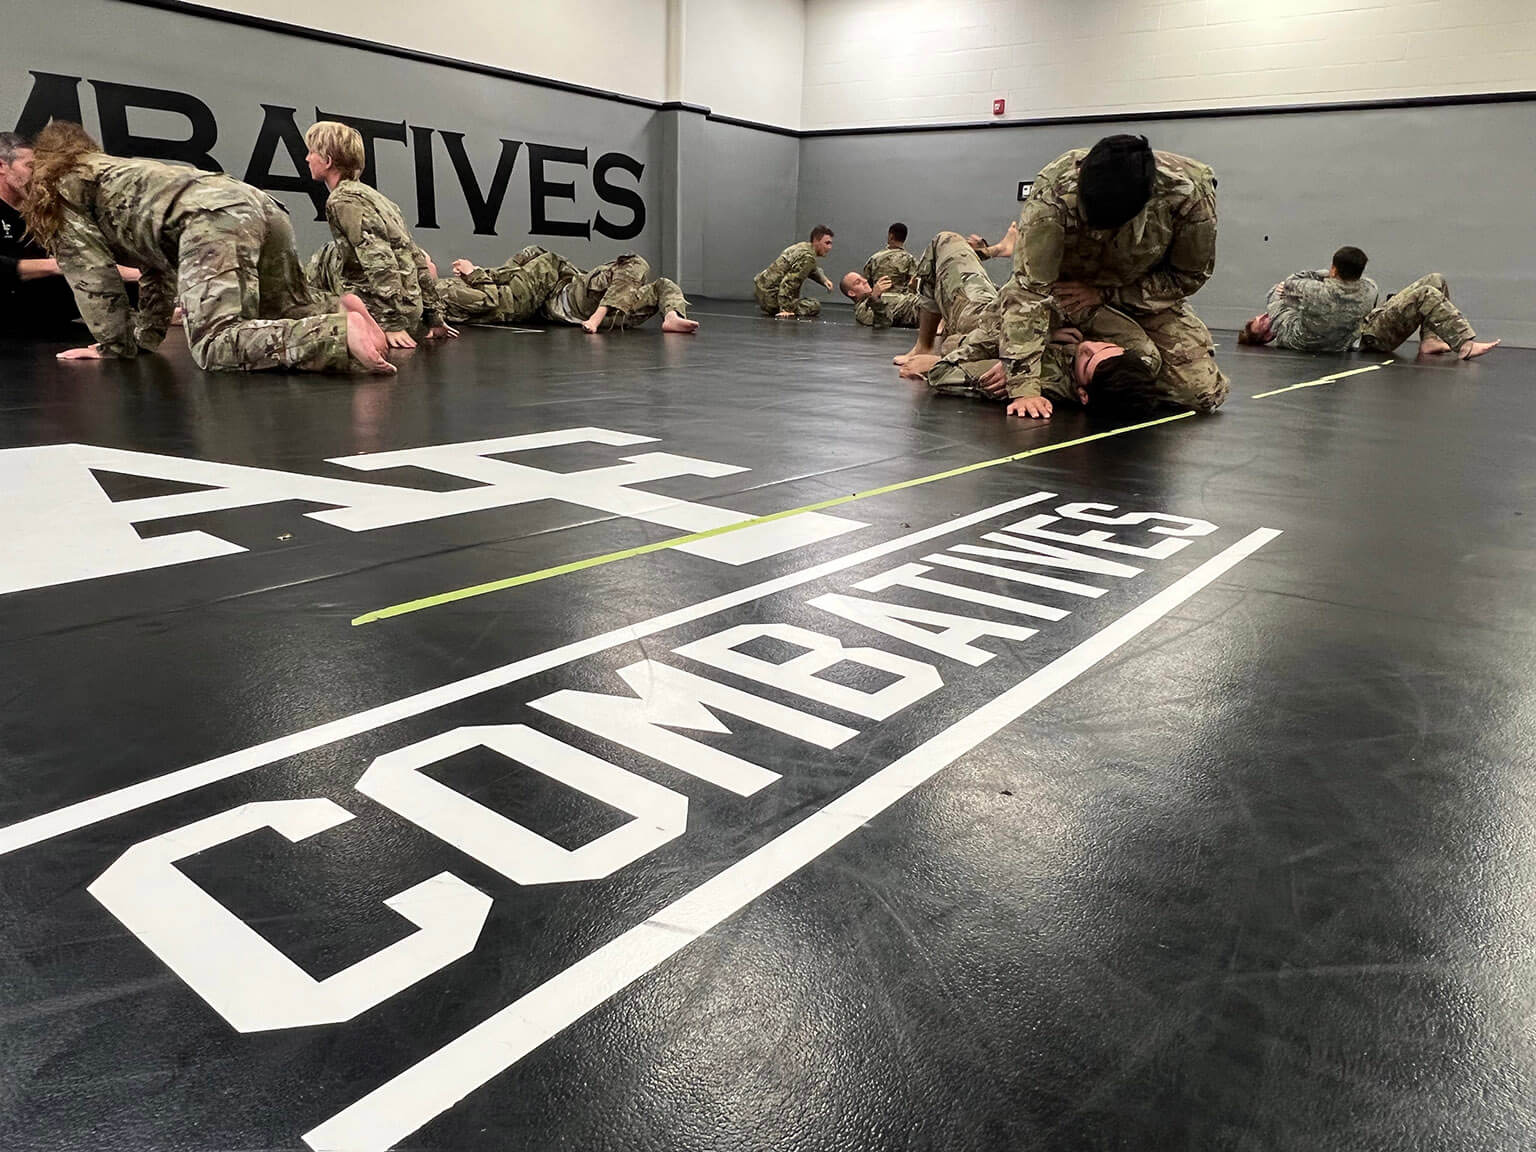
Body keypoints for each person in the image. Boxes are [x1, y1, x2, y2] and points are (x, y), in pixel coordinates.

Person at [21, 121, 392, 373]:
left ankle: (338, 334)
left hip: (211, 217)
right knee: (284, 306)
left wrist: (111, 346)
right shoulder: (112, 172)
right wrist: (144, 339)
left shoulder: (57, 188)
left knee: (216, 343)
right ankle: (338, 310)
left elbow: (92, 276)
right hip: (255, 202)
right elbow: (156, 266)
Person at [983, 134, 1228, 415]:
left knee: (1200, 392)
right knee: (1005, 361)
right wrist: (1024, 385)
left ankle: (1076, 362)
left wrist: (1108, 294)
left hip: (1137, 296)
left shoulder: (1189, 192)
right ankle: (1059, 361)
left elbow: (1187, 277)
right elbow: (1030, 289)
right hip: (1062, 297)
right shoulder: (1053, 191)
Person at [303, 120, 455, 349]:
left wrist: (391, 324)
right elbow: (416, 259)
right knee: (330, 255)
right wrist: (434, 317)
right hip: (406, 309)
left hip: (380, 313)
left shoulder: (342, 200)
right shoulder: (379, 199)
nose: (307, 158)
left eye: (311, 152)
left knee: (306, 286)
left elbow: (378, 261)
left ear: (327, 161)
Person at [903, 298, 1165, 419]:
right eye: (1105, 346)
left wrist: (1024, 353)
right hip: (1015, 308)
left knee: (947, 242)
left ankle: (923, 343)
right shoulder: (1136, 365)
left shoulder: (1044, 377)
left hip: (980, 321)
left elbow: (944, 374)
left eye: (1088, 360)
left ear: (1082, 394)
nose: (1088, 346)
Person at [0, 131, 139, 336]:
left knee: (123, 285)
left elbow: (81, 259)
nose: (36, 175)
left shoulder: (37, 215)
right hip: (8, 309)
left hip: (39, 308)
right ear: (2, 167)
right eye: (29, 167)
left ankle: (163, 313)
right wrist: (58, 266)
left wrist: (139, 278)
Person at [1241, 259, 1499, 360]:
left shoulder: (1287, 309)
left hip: (1369, 319)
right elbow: (1277, 298)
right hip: (1369, 337)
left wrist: (1298, 285)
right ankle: (1464, 344)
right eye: (1259, 323)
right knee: (1425, 294)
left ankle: (1430, 340)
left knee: (1435, 279)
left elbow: (1292, 284)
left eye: (1258, 316)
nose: (1263, 317)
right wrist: (1287, 290)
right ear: (1266, 337)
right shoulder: (1286, 332)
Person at [507, 245, 699, 333]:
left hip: (604, 302)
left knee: (663, 284)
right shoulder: (531, 270)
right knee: (635, 263)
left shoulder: (555, 267)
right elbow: (511, 270)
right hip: (573, 299)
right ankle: (597, 317)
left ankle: (673, 317)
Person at [892, 229, 1002, 366]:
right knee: (946, 241)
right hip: (1002, 311)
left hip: (991, 322)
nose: (864, 283)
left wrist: (940, 362)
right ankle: (992, 251)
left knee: (944, 240)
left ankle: (923, 348)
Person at [754, 226, 835, 318]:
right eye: (827, 243)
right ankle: (782, 306)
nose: (829, 247)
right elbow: (790, 282)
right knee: (814, 306)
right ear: (816, 241)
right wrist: (786, 309)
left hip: (762, 292)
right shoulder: (808, 257)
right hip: (771, 299)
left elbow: (812, 269)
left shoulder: (803, 247)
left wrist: (824, 280)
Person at [839, 270, 920, 328]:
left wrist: (912, 289)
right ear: (851, 293)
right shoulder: (862, 310)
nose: (865, 281)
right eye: (858, 282)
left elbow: (901, 303)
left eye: (862, 278)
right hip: (921, 312)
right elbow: (883, 323)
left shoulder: (875, 296)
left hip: (921, 303)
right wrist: (875, 298)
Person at [860, 222, 918, 292]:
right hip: (900, 301)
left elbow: (865, 283)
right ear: (905, 238)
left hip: (877, 299)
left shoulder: (874, 258)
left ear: (891, 236)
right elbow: (914, 283)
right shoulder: (910, 260)